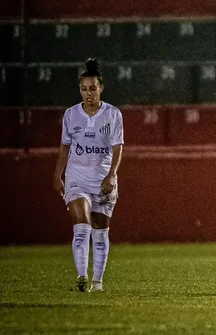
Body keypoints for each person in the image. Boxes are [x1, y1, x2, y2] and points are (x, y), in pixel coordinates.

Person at [52, 58, 124, 293]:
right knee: (81, 225)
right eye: (83, 89)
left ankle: (97, 282)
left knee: (100, 232)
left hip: (102, 178)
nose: (88, 93)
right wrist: (58, 174)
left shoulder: (113, 114)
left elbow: (118, 148)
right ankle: (82, 276)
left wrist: (111, 176)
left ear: (101, 88)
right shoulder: (71, 115)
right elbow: (65, 146)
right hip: (77, 177)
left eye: (92, 88)